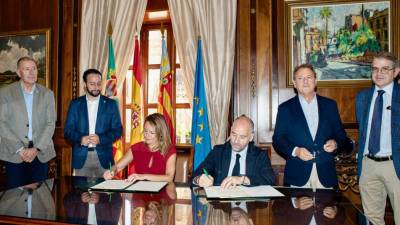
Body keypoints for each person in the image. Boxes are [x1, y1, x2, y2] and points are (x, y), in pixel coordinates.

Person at [272, 64, 353, 189]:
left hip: (326, 174)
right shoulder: (285, 108)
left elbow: (341, 136)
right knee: (296, 209)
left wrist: (335, 143)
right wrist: (296, 151)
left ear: (315, 81)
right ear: (294, 83)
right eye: (300, 78)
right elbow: (278, 139)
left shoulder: (330, 105)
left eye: (309, 77)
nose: (305, 81)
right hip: (297, 174)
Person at [356, 52, 400, 225]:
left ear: (396, 72)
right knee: (372, 220)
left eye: (385, 69)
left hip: (395, 165)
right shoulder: (363, 97)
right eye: (375, 68)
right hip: (368, 166)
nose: (379, 73)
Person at [0, 56, 56, 188]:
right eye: (27, 69)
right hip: (14, 154)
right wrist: (20, 149)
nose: (32, 73)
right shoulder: (5, 93)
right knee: (15, 198)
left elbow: (50, 123)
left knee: (40, 198)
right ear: (19, 73)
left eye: (34, 69)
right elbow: (2, 123)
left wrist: (36, 148)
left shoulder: (47, 94)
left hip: (41, 153)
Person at [64, 68, 122, 177]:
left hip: (104, 157)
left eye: (99, 84)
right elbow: (68, 131)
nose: (96, 87)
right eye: (92, 84)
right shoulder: (75, 104)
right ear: (85, 85)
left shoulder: (111, 104)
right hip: (81, 157)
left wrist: (101, 139)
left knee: (104, 193)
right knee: (82, 193)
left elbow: (118, 130)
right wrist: (80, 139)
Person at [192, 115, 275, 188]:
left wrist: (243, 180)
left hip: (249, 204)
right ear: (230, 130)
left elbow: (270, 179)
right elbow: (195, 175)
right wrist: (199, 179)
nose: (236, 141)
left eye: (242, 137)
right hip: (221, 204)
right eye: (234, 134)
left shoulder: (260, 156)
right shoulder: (218, 152)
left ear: (251, 137)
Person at [103, 113, 176, 182]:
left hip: (162, 192)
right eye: (145, 131)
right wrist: (111, 171)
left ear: (161, 134)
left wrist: (143, 176)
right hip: (140, 192)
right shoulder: (136, 148)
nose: (147, 135)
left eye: (152, 132)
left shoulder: (169, 150)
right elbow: (117, 167)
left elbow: (169, 177)